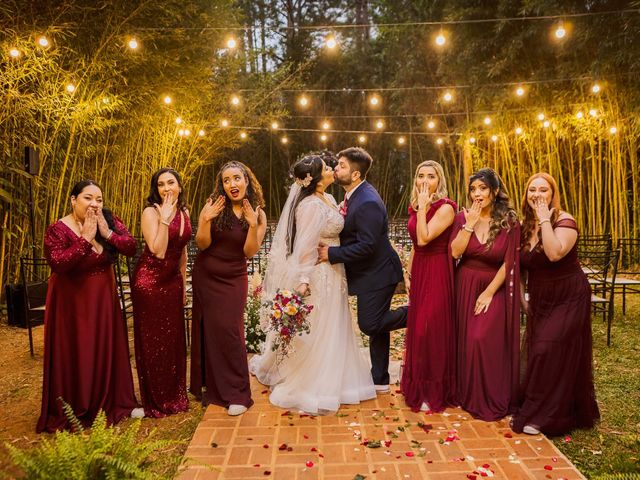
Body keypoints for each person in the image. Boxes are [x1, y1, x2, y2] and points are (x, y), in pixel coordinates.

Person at [250, 154, 376, 414]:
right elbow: (304, 246)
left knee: (336, 321)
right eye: (327, 167)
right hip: (320, 273)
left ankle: (340, 374)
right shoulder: (308, 205)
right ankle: (316, 378)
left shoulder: (328, 199)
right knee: (322, 324)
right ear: (317, 179)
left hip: (335, 269)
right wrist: (304, 279)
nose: (332, 169)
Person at [37, 180, 141, 433]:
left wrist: (107, 233)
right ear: (73, 200)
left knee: (107, 346)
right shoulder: (58, 229)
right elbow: (59, 264)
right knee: (79, 349)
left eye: (99, 199)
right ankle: (78, 406)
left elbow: (131, 247)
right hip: (72, 304)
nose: (95, 204)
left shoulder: (108, 219)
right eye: (87, 198)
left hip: (103, 300)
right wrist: (84, 239)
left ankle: (117, 400)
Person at [511, 172, 599, 435]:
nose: (537, 195)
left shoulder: (564, 220)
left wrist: (545, 220)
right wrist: (522, 300)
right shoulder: (524, 225)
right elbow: (520, 267)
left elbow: (553, 252)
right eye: (532, 190)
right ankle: (540, 405)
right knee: (538, 350)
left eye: (543, 190)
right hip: (541, 298)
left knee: (549, 349)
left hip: (569, 295)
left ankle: (545, 416)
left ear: (553, 194)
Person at [317, 147, 407, 392]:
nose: (336, 169)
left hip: (377, 273)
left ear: (355, 175)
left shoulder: (367, 201)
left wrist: (331, 254)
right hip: (372, 272)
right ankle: (379, 378)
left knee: (370, 324)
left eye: (342, 166)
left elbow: (367, 246)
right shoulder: (353, 195)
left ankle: (414, 313)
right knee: (378, 325)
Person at [190, 161, 267, 416]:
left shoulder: (257, 212)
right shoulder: (214, 206)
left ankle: (237, 393)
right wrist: (204, 219)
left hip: (234, 277)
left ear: (247, 180)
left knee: (231, 330)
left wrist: (253, 224)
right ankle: (213, 387)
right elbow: (202, 244)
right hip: (207, 276)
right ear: (221, 185)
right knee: (212, 330)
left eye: (236, 178)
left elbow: (249, 252)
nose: (232, 184)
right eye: (226, 180)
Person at [450, 168, 520, 421]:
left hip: (494, 285)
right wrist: (469, 224)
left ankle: (488, 394)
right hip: (465, 283)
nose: (477, 194)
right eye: (473, 189)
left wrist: (490, 292)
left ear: (495, 191)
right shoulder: (462, 217)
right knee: (466, 341)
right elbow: (455, 253)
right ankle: (466, 393)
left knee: (481, 338)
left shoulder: (509, 221)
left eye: (483, 188)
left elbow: (510, 261)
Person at [131, 167, 191, 418]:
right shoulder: (150, 212)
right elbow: (157, 250)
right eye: (161, 185)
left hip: (172, 282)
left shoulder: (185, 211)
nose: (166, 188)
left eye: (171, 183)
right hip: (150, 283)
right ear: (155, 190)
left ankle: (175, 395)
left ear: (179, 186)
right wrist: (164, 219)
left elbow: (182, 252)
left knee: (173, 340)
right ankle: (156, 399)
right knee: (153, 342)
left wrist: (184, 282)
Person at [401, 161, 457, 413]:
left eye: (431, 176)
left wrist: (423, 208)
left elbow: (424, 238)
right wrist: (408, 272)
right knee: (418, 328)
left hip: (437, 270)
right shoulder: (416, 208)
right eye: (420, 175)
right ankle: (418, 385)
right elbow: (414, 245)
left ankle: (434, 389)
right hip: (421, 270)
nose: (424, 181)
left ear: (439, 181)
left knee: (430, 329)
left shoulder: (445, 208)